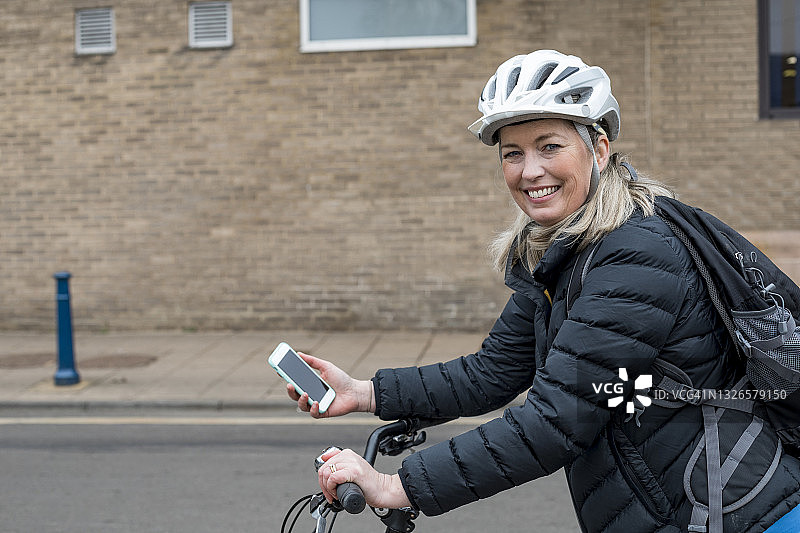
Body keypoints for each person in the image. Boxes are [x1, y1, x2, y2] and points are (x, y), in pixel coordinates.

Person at [286, 50, 800, 532]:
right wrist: (364, 392)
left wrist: (397, 486)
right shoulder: (568, 254)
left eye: (550, 146)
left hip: (740, 513)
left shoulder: (636, 257)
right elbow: (493, 372)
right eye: (513, 153)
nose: (530, 171)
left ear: (598, 148)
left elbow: (557, 421)